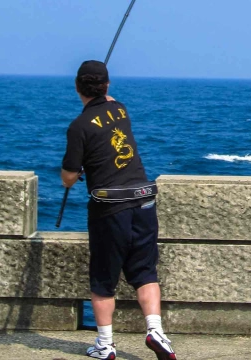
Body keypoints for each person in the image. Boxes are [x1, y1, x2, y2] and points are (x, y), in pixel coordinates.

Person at [61, 60, 177, 360]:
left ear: (77, 88)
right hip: (143, 201)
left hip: (110, 209)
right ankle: (155, 331)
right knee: (145, 271)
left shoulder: (78, 127)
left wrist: (78, 172)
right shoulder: (121, 110)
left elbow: (69, 176)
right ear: (107, 85)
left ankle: (105, 345)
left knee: (103, 279)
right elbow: (110, 105)